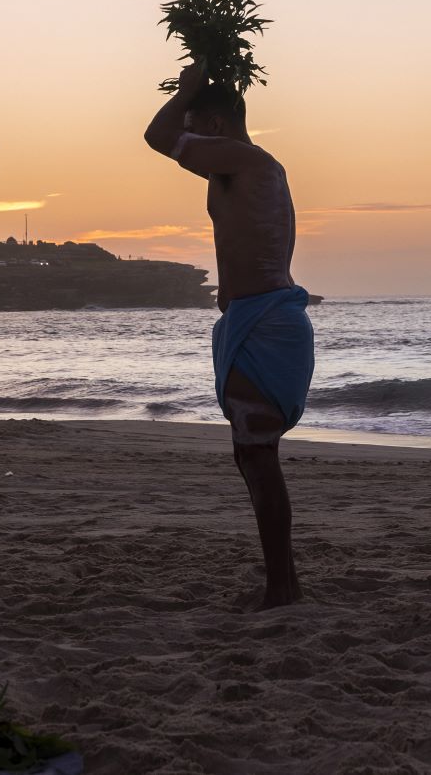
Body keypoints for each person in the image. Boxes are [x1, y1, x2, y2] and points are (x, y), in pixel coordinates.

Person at [146, 64, 312, 609]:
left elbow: (159, 137)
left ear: (216, 123)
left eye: (198, 125)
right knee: (250, 454)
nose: (190, 137)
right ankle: (281, 580)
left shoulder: (249, 160)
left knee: (257, 453)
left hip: (267, 320)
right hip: (254, 318)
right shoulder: (238, 166)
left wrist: (186, 89)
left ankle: (282, 587)